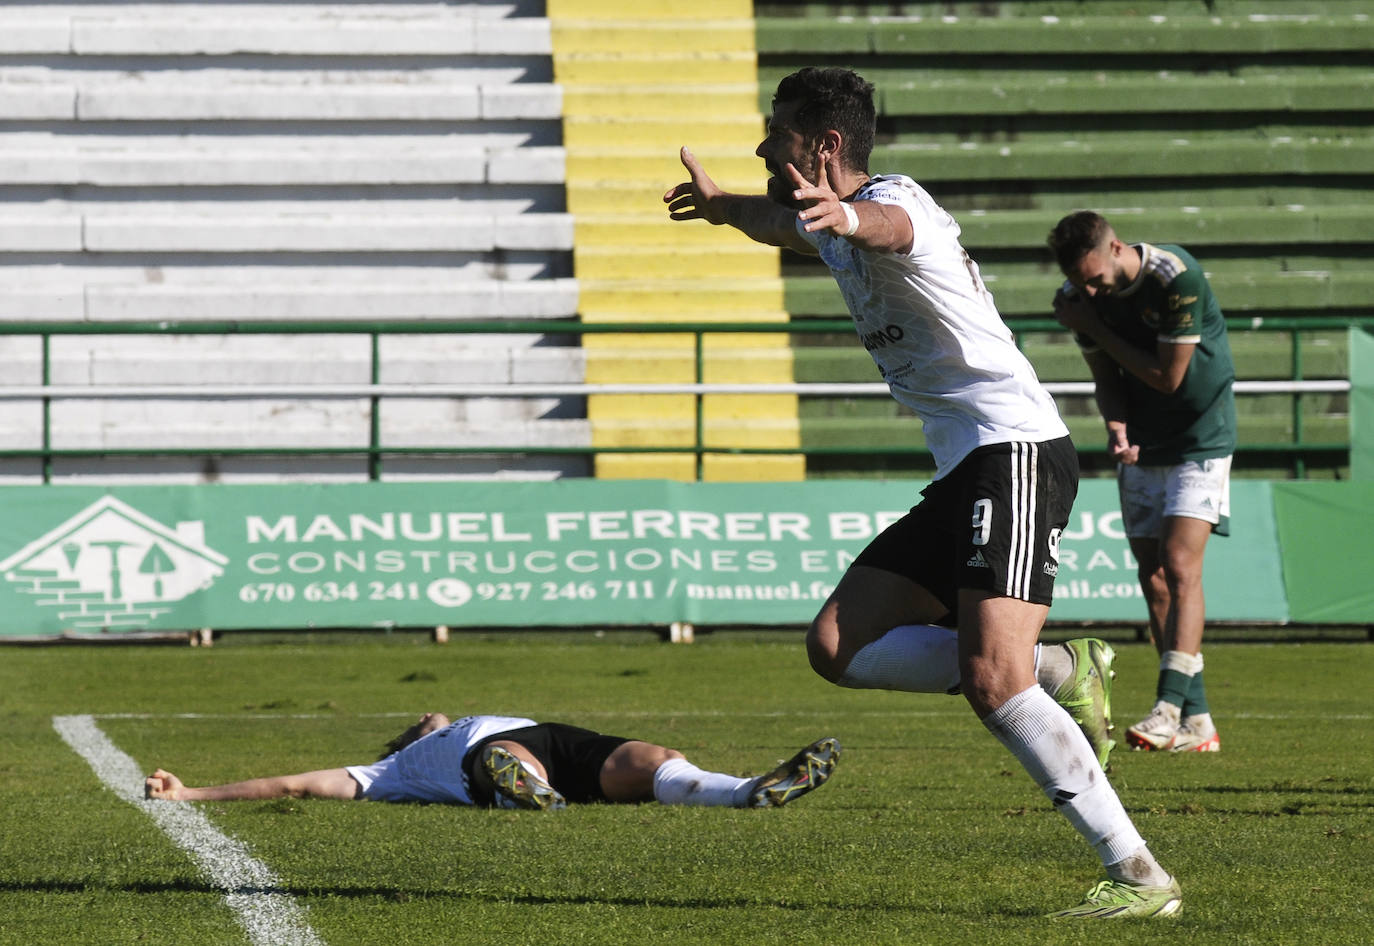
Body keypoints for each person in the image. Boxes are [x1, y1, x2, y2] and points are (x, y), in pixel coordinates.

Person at [665, 66, 1181, 919]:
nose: (763, 144)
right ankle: (1065, 665)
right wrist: (724, 206)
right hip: (966, 468)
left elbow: (893, 228)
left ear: (825, 147)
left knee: (991, 677)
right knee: (837, 644)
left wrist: (850, 218)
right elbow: (783, 225)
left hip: (1014, 449)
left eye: (778, 131)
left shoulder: (901, 205)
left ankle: (1139, 879)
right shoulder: (823, 222)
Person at [1047, 210, 1235, 755]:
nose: (1088, 290)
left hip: (1201, 439)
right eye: (1080, 282)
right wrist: (1115, 424)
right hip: (1143, 446)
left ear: (1116, 249)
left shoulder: (1175, 276)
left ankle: (1168, 707)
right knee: (1152, 577)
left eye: (1095, 279)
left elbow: (1168, 377)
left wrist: (1092, 325)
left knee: (1180, 566)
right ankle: (1197, 724)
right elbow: (1107, 377)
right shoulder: (1080, 296)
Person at [145, 711, 840, 812]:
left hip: (554, 740)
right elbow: (293, 783)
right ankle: (524, 791)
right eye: (417, 724)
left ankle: (748, 790)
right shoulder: (386, 771)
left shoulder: (472, 710)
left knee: (651, 758)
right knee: (500, 756)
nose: (423, 718)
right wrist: (193, 793)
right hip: (489, 759)